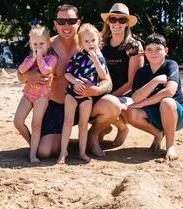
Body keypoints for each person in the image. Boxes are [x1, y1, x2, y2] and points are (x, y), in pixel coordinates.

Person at [17, 4, 118, 160]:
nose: (66, 26)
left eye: (71, 21)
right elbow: (21, 72)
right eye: (61, 21)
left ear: (78, 23)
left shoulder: (88, 42)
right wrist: (27, 76)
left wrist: (95, 90)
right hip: (57, 106)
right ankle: (43, 142)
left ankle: (93, 134)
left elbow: (108, 82)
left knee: (113, 105)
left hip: (84, 101)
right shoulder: (47, 45)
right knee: (44, 152)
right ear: (55, 24)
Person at [127, 33, 183, 161]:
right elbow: (136, 98)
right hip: (155, 114)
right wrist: (155, 81)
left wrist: (142, 103)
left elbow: (169, 92)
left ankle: (170, 145)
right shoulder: (142, 72)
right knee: (132, 112)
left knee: (166, 102)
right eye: (149, 49)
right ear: (144, 52)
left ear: (166, 51)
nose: (153, 53)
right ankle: (158, 133)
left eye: (158, 49)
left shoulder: (171, 65)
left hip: (177, 113)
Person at [58, 24, 108, 164]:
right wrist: (75, 81)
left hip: (87, 97)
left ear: (98, 40)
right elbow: (67, 74)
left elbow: (103, 75)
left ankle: (82, 153)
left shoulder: (100, 59)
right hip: (71, 94)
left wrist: (96, 60)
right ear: (80, 43)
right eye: (86, 41)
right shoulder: (77, 57)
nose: (90, 44)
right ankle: (63, 153)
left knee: (83, 124)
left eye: (93, 40)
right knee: (67, 122)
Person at [98, 3, 144, 150]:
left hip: (126, 95)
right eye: (113, 19)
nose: (117, 23)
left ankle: (122, 128)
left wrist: (110, 97)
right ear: (108, 22)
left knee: (110, 104)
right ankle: (103, 128)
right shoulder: (100, 44)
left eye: (122, 20)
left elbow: (132, 82)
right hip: (104, 91)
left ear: (127, 24)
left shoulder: (133, 46)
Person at [15, 26, 58, 163]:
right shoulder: (30, 58)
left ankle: (33, 155)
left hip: (42, 96)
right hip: (28, 94)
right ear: (30, 45)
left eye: (41, 44)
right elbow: (21, 70)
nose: (38, 47)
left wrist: (39, 58)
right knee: (18, 122)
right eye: (35, 44)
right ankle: (33, 144)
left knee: (36, 124)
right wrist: (33, 58)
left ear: (48, 44)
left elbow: (46, 71)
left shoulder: (52, 58)